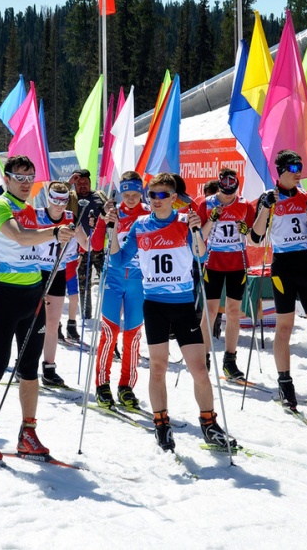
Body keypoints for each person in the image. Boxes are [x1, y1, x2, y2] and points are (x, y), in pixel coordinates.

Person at [104, 173, 235, 452]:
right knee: (158, 367)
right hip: (155, 305)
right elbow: (117, 260)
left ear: (173, 198)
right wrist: (112, 229)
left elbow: (200, 256)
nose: (156, 200)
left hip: (184, 304)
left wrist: (199, 229)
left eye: (163, 195)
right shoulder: (141, 225)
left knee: (199, 369)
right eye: (152, 195)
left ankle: (209, 424)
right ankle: (161, 424)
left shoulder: (184, 222)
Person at [0, 156, 74, 462]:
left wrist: (63, 236)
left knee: (30, 368)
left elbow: (38, 243)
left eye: (29, 176)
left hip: (33, 295)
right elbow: (18, 236)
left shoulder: (32, 210)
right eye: (19, 176)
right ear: (7, 179)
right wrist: (54, 232)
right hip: (5, 293)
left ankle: (28, 433)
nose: (25, 181)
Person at [249, 150, 307, 409]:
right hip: (283, 267)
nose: (299, 171)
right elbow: (255, 237)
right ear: (281, 170)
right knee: (284, 327)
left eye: (301, 165)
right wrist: (265, 209)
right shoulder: (269, 198)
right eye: (293, 166)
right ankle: (285, 383)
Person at [91, 171, 150, 409]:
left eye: (136, 193)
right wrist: (105, 221)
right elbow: (95, 245)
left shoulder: (148, 214)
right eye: (127, 194)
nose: (132, 198)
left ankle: (126, 386)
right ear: (121, 193)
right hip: (113, 278)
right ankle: (102, 384)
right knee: (109, 331)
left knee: (133, 335)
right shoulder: (114, 213)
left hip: (138, 280)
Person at [199, 168, 256, 381]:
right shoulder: (207, 204)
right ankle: (203, 357)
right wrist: (211, 220)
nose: (229, 197)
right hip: (213, 262)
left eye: (232, 193)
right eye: (225, 193)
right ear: (220, 187)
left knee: (234, 312)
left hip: (237, 264)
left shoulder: (245, 205)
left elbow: (251, 239)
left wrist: (245, 231)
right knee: (210, 312)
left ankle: (230, 361)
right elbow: (201, 236)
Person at [34, 181, 88, 387]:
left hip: (57, 272)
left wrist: (99, 225)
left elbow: (87, 244)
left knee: (53, 323)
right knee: (31, 322)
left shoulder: (71, 218)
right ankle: (25, 363)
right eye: (55, 200)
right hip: (36, 272)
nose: (59, 205)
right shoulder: (36, 215)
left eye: (63, 201)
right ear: (48, 198)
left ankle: (49, 368)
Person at [71, 169, 106, 329]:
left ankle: (108, 313)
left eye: (85, 183)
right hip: (80, 250)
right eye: (79, 184)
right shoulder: (70, 199)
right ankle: (86, 316)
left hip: (99, 247)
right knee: (83, 283)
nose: (83, 186)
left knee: (106, 281)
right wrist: (69, 183)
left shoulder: (100, 196)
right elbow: (56, 195)